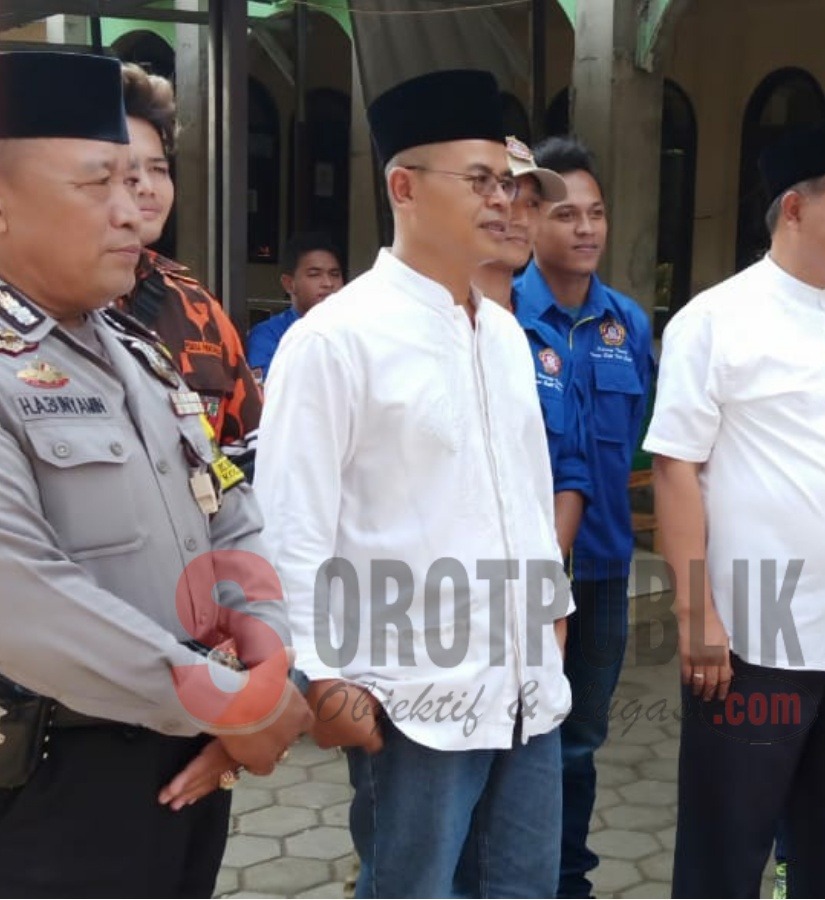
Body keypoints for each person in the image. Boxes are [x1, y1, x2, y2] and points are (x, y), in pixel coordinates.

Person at [255, 69, 573, 898]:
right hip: (408, 692)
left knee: (523, 885)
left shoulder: (504, 337)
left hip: (523, 685)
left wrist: (551, 615)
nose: (503, 201)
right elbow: (292, 525)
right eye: (479, 181)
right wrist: (320, 673)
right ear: (403, 185)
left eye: (507, 183)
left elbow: (528, 501)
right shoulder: (337, 340)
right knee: (412, 887)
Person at [0, 50, 311, 895]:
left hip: (186, 759)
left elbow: (230, 511)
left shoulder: (137, 351)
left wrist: (266, 660)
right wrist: (237, 705)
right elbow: (22, 597)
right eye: (96, 184)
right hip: (46, 786)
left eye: (137, 181)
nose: (131, 213)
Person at [648, 120, 825, 898]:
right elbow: (675, 470)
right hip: (756, 636)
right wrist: (697, 614)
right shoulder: (718, 319)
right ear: (795, 209)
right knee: (726, 848)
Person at [514, 136, 656, 899]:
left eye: (596, 213)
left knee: (579, 741)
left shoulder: (626, 325)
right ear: (530, 219)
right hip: (512, 577)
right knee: (512, 736)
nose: (586, 229)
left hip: (600, 569)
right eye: (566, 214)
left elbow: (638, 440)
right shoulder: (503, 313)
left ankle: (568, 880)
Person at [116, 62, 262, 470]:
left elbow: (250, 445)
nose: (146, 186)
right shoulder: (34, 304)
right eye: (125, 172)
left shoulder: (197, 310)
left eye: (159, 169)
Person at [471, 137, 586, 554]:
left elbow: (572, 469)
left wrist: (542, 581)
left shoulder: (549, 338)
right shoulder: (434, 323)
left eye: (533, 205)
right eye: (509, 196)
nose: (519, 217)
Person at [246, 232, 345, 383]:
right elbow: (269, 389)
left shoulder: (354, 331)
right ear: (289, 284)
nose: (328, 283)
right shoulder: (269, 334)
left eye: (335, 274)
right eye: (314, 274)